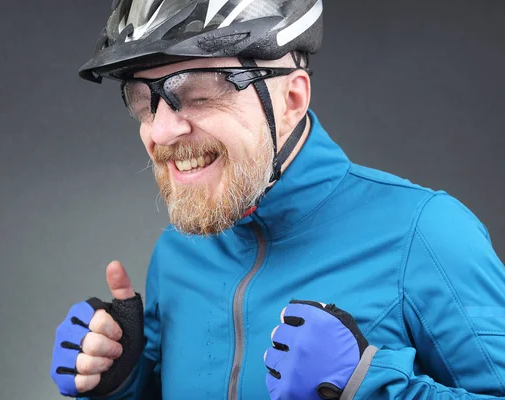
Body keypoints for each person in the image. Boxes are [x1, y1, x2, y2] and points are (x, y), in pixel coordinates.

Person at [50, 1, 505, 399]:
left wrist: (368, 386)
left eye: (199, 92)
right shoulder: (177, 251)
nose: (162, 131)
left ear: (291, 98)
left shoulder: (426, 232)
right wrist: (123, 381)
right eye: (144, 100)